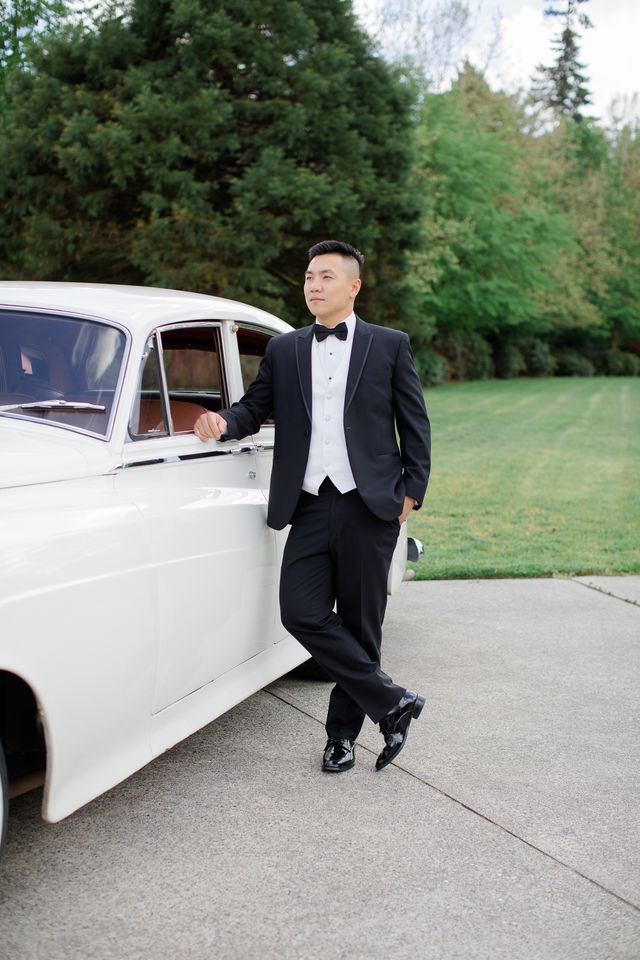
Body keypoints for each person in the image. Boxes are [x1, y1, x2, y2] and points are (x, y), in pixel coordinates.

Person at [194, 240, 431, 772]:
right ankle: (392, 703)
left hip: (371, 505)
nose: (314, 286)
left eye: (325, 277)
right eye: (308, 277)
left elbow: (414, 423)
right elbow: (256, 407)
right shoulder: (285, 349)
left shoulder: (389, 344)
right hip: (307, 504)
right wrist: (222, 423)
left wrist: (411, 493)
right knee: (299, 611)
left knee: (361, 626)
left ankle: (342, 738)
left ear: (353, 286)